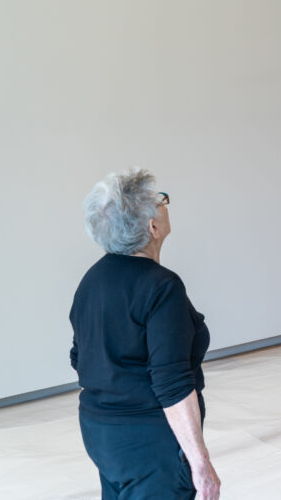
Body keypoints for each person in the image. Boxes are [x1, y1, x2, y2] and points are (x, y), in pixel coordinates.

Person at [70, 168, 220, 499]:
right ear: (152, 227)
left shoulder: (92, 281)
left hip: (100, 433)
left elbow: (80, 357)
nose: (164, 204)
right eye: (159, 200)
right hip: (150, 442)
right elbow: (173, 384)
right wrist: (201, 463)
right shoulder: (162, 287)